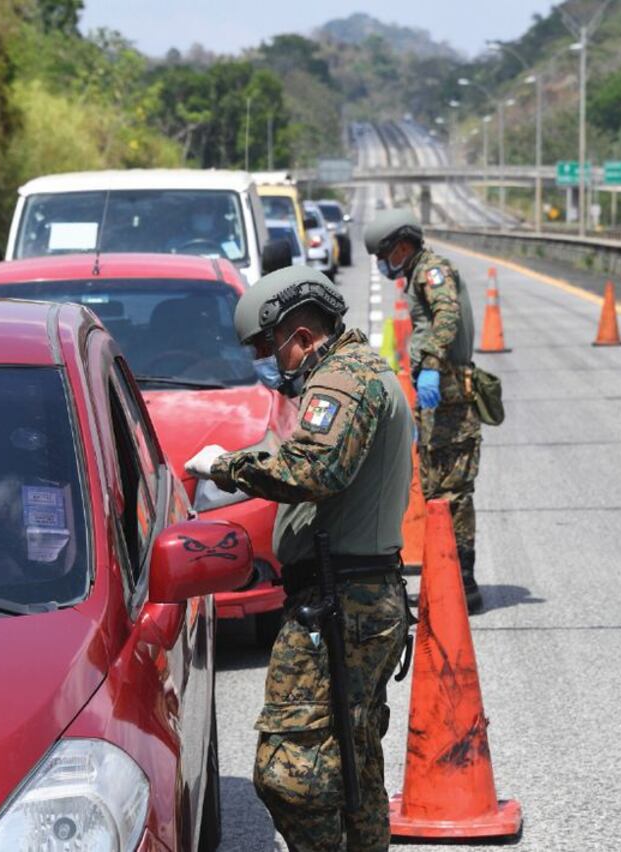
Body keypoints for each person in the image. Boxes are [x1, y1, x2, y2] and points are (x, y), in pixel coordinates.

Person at [185, 266, 413, 851]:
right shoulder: (349, 375)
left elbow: (313, 469)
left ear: (304, 339)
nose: (267, 362)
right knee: (352, 756)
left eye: (269, 349)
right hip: (353, 595)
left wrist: (225, 467)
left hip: (342, 601)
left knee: (289, 771)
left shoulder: (342, 380)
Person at [363, 208, 484, 613]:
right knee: (436, 489)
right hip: (438, 401)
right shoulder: (417, 275)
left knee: (451, 492)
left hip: (449, 397)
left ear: (401, 247)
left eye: (384, 255)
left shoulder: (432, 272)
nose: (382, 265)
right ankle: (445, 580)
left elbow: (446, 316)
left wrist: (430, 366)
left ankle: (462, 584)